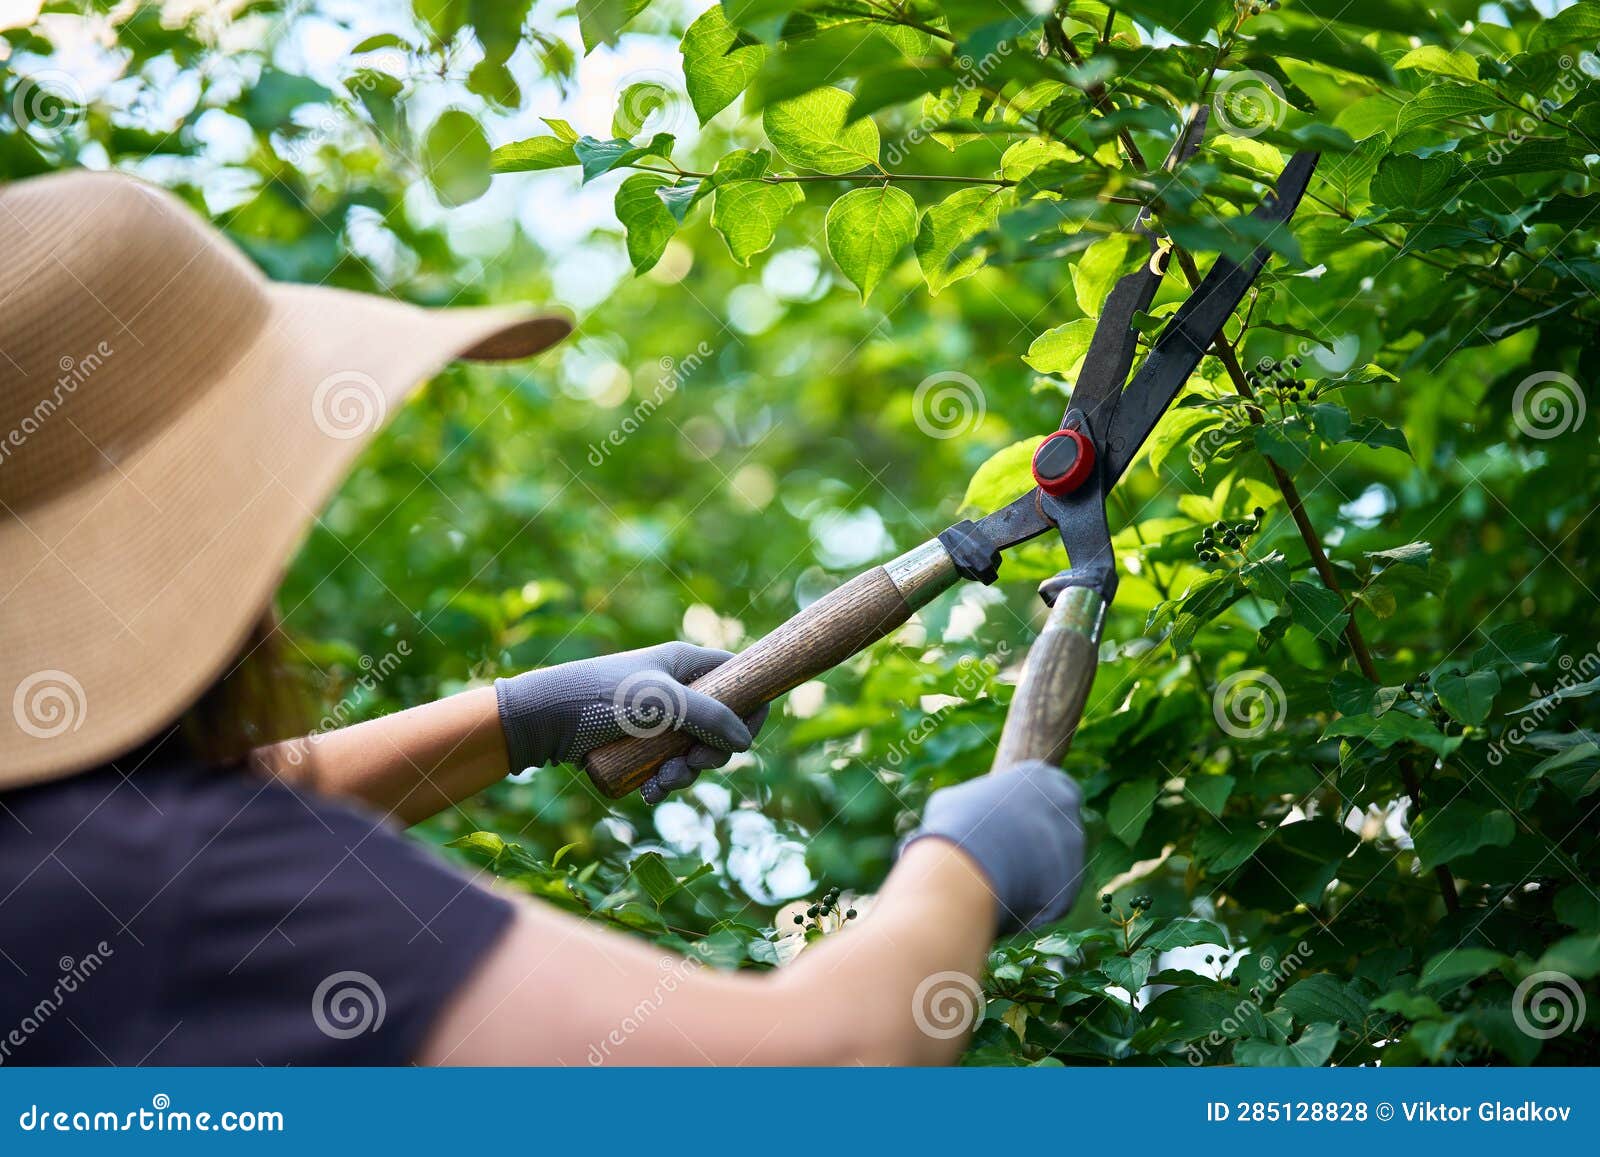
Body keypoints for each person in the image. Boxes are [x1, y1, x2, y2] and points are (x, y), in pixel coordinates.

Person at [0, 171, 1085, 1066]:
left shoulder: (75, 863)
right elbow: (816, 1074)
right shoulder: (200, 890)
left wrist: (514, 718)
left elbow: (145, 831)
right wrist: (970, 860)